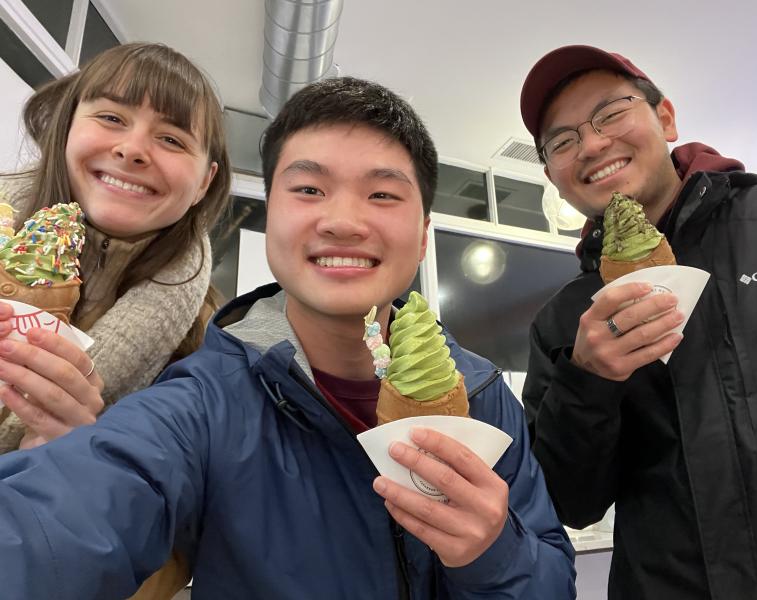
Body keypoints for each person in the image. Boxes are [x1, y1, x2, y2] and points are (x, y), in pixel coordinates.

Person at [0, 76, 576, 599]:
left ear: (424, 235)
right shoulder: (205, 398)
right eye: (308, 190)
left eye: (382, 195)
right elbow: (65, 519)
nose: (344, 220)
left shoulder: (479, 393)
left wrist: (494, 552)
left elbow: (553, 578)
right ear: (270, 216)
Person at [519, 44, 757, 599]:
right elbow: (569, 503)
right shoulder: (565, 320)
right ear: (554, 177)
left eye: (611, 113)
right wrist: (588, 381)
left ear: (665, 118)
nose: (593, 144)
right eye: (563, 140)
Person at [0, 42, 231, 598]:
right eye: (110, 117)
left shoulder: (211, 348)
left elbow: (179, 556)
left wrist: (83, 477)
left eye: (172, 139)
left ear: (204, 181)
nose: (131, 149)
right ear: (66, 126)